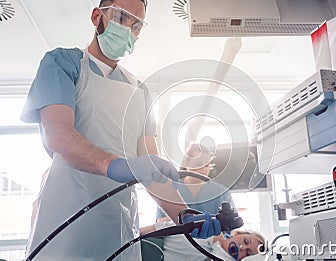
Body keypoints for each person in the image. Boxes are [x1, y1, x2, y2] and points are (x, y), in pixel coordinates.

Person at [20, 0, 219, 260]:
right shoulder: (63, 64)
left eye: (137, 26)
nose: (128, 30)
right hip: (65, 219)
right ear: (96, 17)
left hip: (120, 226)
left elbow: (151, 171)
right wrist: (116, 166)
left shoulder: (140, 92)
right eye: (121, 18)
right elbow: (58, 136)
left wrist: (183, 214)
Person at [156, 143, 237, 222]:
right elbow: (159, 222)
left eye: (207, 165)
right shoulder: (169, 189)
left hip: (217, 235)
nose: (204, 170)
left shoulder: (221, 192)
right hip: (178, 235)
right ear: (186, 163)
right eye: (199, 164)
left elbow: (233, 223)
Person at [140, 221, 268, 261]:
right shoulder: (201, 228)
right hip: (141, 246)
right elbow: (155, 228)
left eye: (248, 253)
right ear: (238, 233)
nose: (242, 248)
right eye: (246, 241)